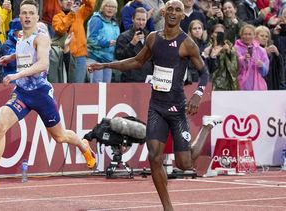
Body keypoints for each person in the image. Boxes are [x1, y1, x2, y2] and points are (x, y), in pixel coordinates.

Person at [88, 1, 222, 209]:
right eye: (171, 9)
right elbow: (136, 61)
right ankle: (167, 206)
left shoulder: (187, 44)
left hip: (177, 108)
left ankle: (207, 127)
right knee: (154, 156)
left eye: (178, 10)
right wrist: (105, 64)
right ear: (163, 12)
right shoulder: (153, 38)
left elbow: (204, 72)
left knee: (184, 164)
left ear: (182, 16)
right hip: (157, 107)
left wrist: (197, 95)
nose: (174, 13)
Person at [0, 0, 96, 193]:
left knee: (60, 137)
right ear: (19, 16)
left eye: (31, 13)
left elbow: (42, 65)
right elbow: (26, 54)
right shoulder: (21, 36)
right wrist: (11, 57)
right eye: (24, 13)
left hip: (40, 94)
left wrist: (16, 75)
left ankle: (83, 146)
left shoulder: (42, 37)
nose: (28, 16)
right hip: (22, 93)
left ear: (37, 17)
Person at [52, 0, 95, 83]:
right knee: (64, 84)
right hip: (63, 56)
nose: (69, 1)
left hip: (79, 56)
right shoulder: (56, 17)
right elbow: (60, 29)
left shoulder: (80, 12)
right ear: (60, 3)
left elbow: (91, 5)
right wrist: (71, 14)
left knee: (78, 87)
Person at [114, 7, 153, 82]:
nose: (141, 23)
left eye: (143, 20)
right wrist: (132, 43)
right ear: (132, 19)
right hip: (130, 79)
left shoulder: (149, 36)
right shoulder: (123, 36)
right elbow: (120, 57)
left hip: (147, 78)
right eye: (138, 19)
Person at [86, 0, 120, 83]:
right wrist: (107, 43)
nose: (110, 9)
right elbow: (90, 40)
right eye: (107, 6)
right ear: (102, 7)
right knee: (96, 89)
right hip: (95, 59)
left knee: (106, 89)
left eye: (113, 7)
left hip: (108, 61)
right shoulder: (96, 20)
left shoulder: (115, 23)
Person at [202, 24, 239, 90]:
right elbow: (205, 68)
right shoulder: (207, 47)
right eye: (216, 32)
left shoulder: (230, 47)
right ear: (212, 34)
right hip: (211, 83)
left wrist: (229, 52)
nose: (218, 34)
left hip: (226, 84)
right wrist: (211, 55)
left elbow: (235, 68)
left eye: (221, 33)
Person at [234, 24, 269, 90]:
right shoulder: (235, 48)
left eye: (250, 34)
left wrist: (262, 65)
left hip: (259, 85)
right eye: (245, 34)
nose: (247, 36)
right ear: (241, 35)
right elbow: (234, 67)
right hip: (242, 84)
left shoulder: (261, 50)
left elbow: (265, 72)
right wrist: (243, 59)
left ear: (254, 36)